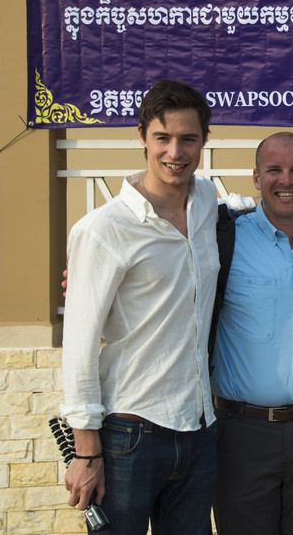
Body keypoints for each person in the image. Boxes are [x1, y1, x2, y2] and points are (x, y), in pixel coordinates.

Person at [61, 80, 218, 534]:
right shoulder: (103, 230)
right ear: (141, 137)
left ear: (204, 140)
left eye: (188, 138)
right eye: (163, 138)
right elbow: (79, 346)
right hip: (130, 433)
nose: (176, 151)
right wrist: (85, 450)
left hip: (199, 428)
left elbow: (249, 209)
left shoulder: (208, 203)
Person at [210, 132, 293, 535]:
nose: (286, 180)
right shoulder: (223, 239)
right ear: (255, 177)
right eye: (274, 170)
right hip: (242, 433)